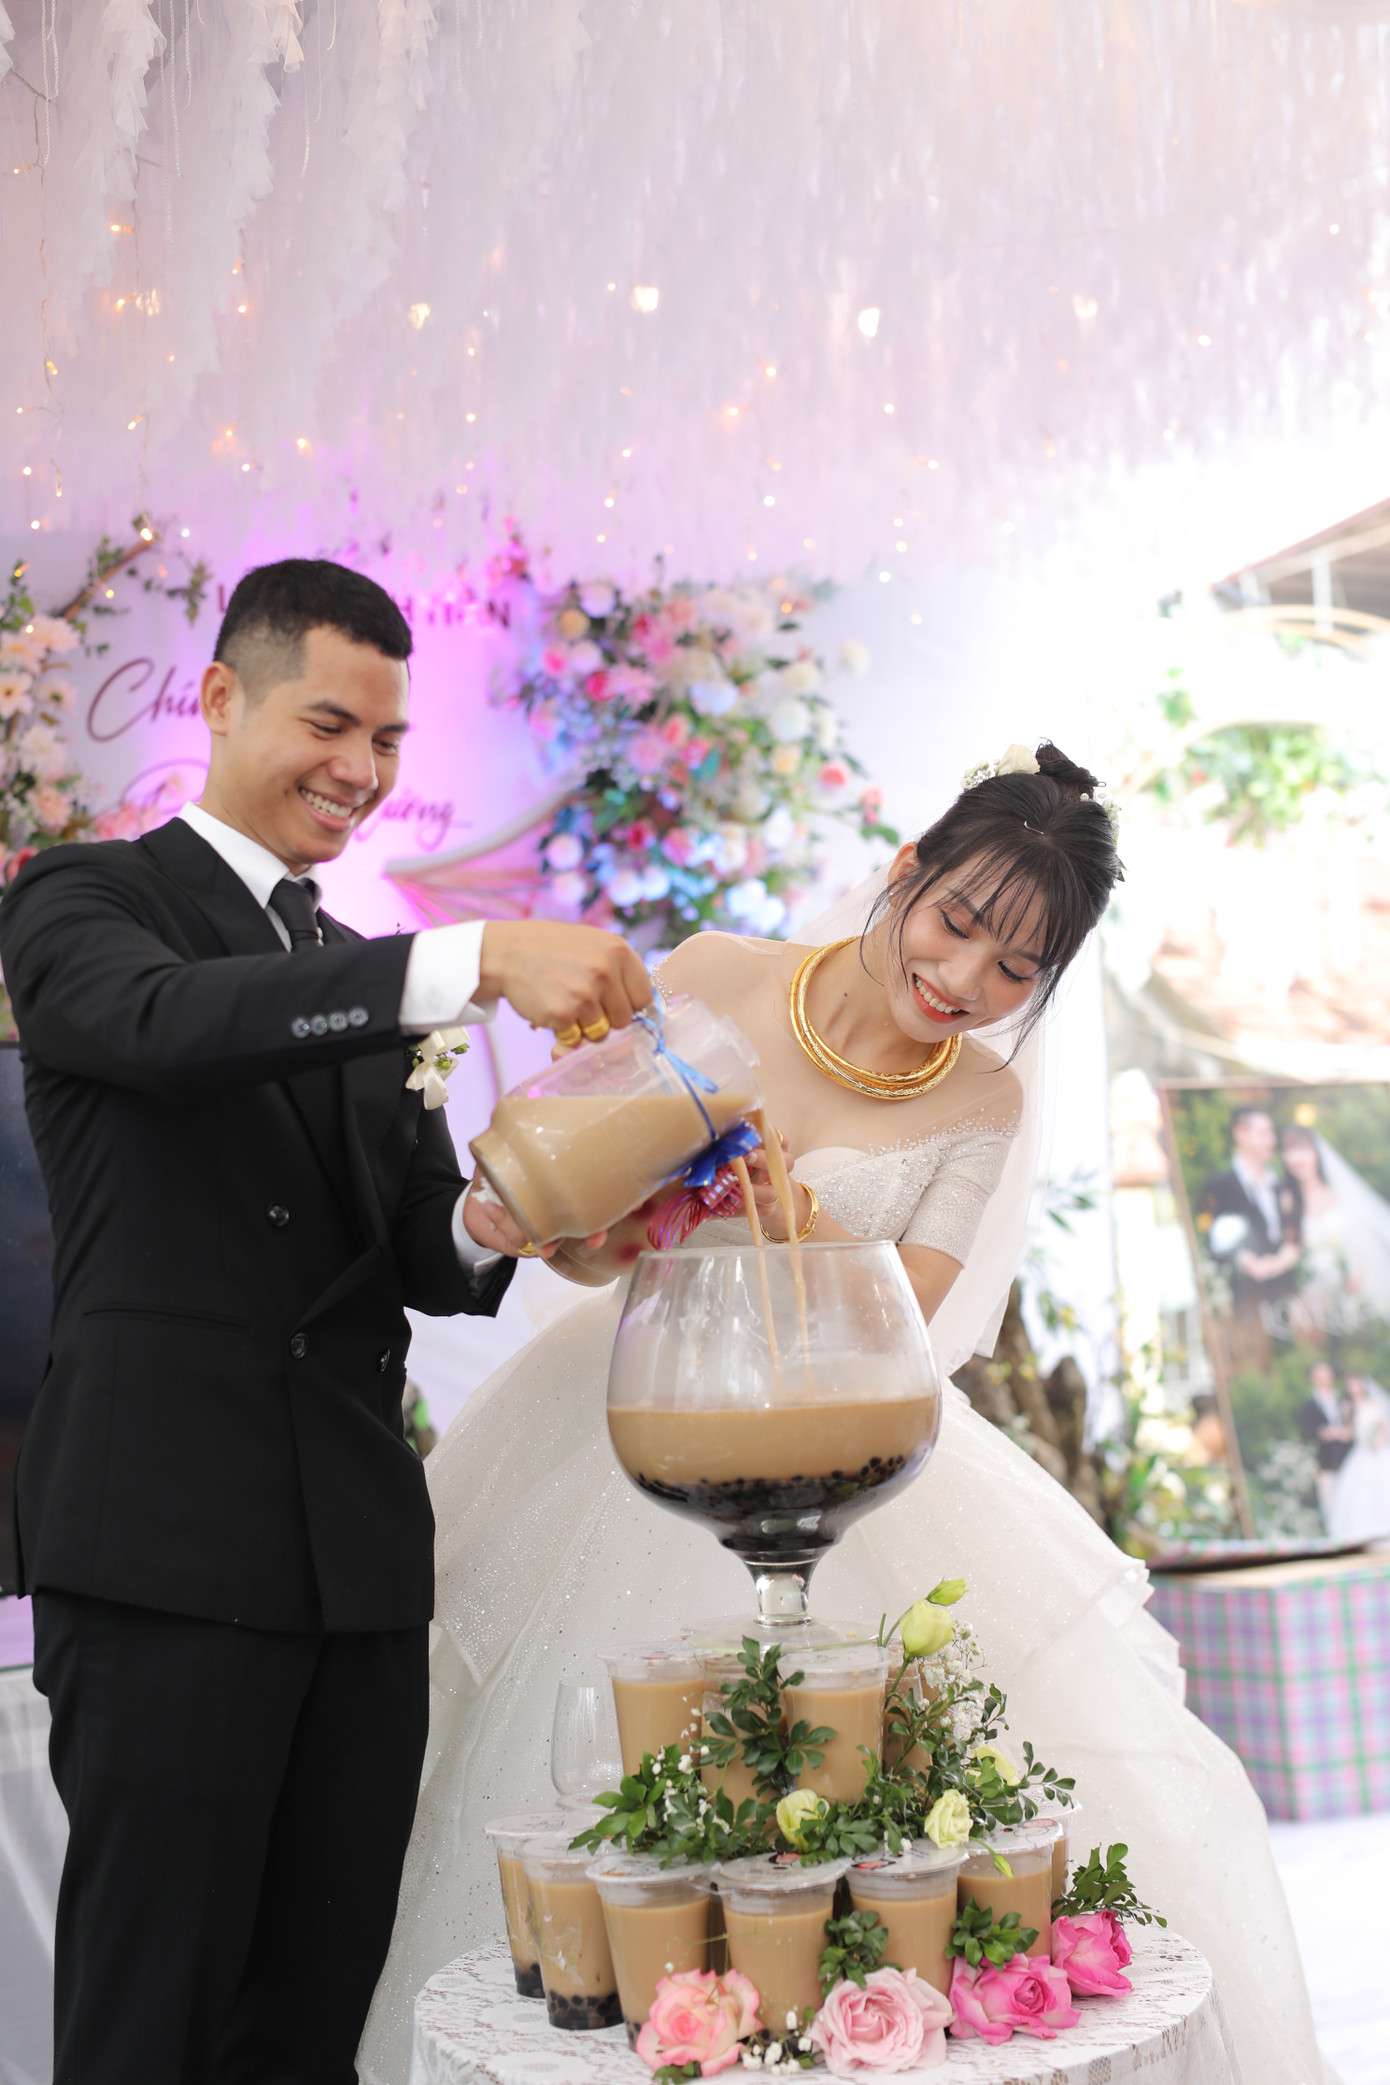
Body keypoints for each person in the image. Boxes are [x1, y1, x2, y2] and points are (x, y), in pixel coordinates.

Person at [361, 741, 1322, 2085]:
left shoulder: (980, 1101)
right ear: (904, 871)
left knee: (852, 1817)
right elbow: (582, 1248)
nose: (964, 980)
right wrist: (598, 1210)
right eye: (956, 923)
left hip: (837, 1450)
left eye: (1016, 968)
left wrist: (787, 1206)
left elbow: (907, 1323)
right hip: (632, 1401)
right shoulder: (714, 974)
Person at [0, 558, 653, 2085]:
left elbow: (422, 1242)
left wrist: (536, 1209)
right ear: (222, 698)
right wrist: (472, 959)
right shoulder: (85, 899)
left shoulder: (357, 968)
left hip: (356, 1566)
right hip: (164, 1550)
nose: (360, 769)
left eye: (387, 740)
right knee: (149, 2021)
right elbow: (166, 1029)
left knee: (313, 2022)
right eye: (329, 724)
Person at [1278, 1121, 1390, 1340]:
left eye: (1302, 1149)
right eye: (1289, 1150)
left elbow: (1363, 1237)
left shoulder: (1340, 1191)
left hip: (1357, 1281)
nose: (1296, 1158)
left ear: (1316, 1151)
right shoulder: (1289, 1200)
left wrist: (1357, 1274)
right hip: (1318, 1293)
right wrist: (1267, 1265)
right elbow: (1291, 1247)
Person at [1197, 1106, 1302, 1327]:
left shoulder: (1281, 1185)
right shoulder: (1218, 1185)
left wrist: (1280, 1261)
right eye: (1263, 1133)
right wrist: (1242, 1259)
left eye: (1271, 1133)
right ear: (1240, 1134)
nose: (1271, 1140)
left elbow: (1293, 1232)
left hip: (1287, 1296)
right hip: (1245, 1303)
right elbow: (1206, 1236)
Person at [1329, 1375, 1390, 1543]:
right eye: (1350, 1385)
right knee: (1359, 1493)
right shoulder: (1347, 1407)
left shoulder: (1374, 1404)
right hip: (1361, 1451)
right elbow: (1349, 1433)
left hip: (1379, 1451)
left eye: (1356, 1384)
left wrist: (1379, 1441)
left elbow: (1384, 1427)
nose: (1354, 1388)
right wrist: (1336, 1433)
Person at [1297, 1359, 1353, 1530]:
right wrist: (1332, 1433)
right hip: (1325, 1462)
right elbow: (1313, 1432)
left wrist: (1337, 1432)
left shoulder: (1342, 1400)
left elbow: (1351, 1429)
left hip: (1347, 1459)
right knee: (1330, 1503)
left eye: (1326, 1376)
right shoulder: (1310, 1404)